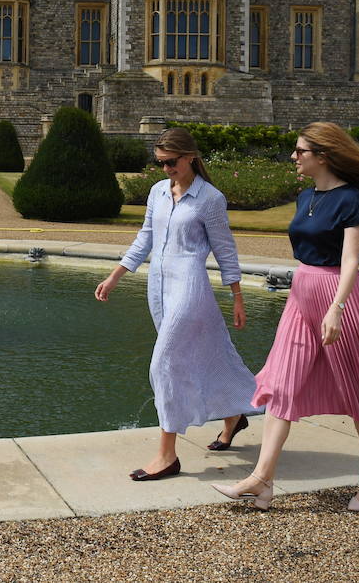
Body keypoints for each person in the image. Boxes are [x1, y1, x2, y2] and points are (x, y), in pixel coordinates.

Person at [214, 121, 359, 511]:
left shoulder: (354, 199)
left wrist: (336, 308)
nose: (293, 157)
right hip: (302, 292)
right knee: (282, 384)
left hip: (340, 295)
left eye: (300, 151)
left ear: (323, 156)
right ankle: (262, 480)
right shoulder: (305, 196)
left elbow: (350, 259)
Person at [95, 128, 262, 481]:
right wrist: (115, 276)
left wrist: (236, 295)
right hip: (157, 286)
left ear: (190, 157)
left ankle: (167, 455)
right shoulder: (158, 191)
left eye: (171, 162)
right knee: (201, 356)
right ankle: (234, 415)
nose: (166, 169)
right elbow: (145, 238)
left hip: (190, 287)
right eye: (160, 163)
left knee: (164, 364)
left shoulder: (210, 198)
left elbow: (225, 248)